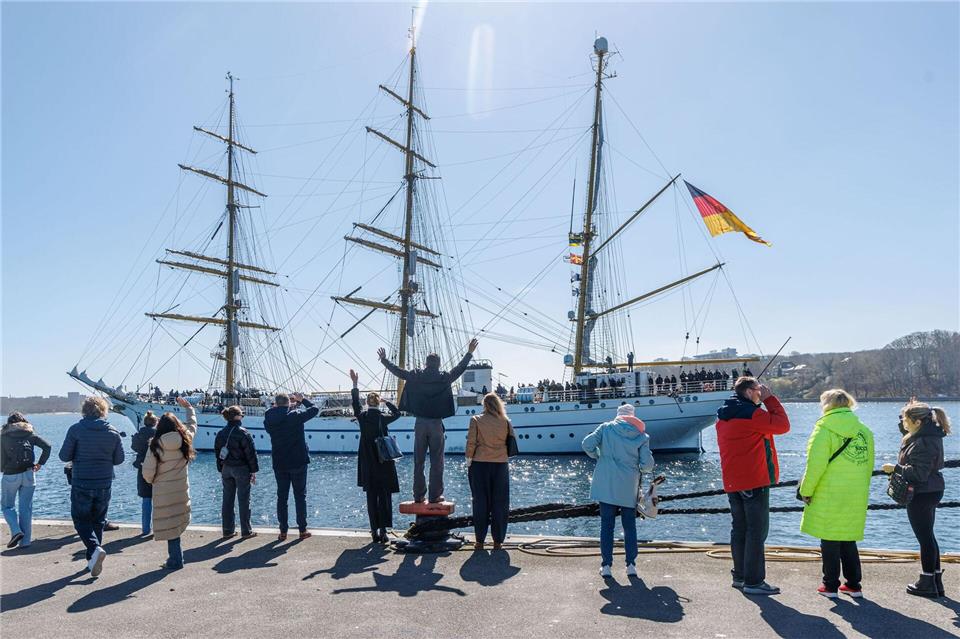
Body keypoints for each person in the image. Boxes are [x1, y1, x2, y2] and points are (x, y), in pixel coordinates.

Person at [378, 338, 478, 504]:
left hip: (420, 423)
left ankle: (418, 496)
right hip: (436, 424)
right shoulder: (444, 377)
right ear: (438, 364)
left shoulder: (416, 375)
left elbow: (399, 372)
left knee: (419, 461)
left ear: (426, 363)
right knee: (437, 461)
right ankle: (434, 495)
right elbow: (459, 369)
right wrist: (469, 353)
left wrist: (384, 360)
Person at [715, 376, 790, 595]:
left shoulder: (722, 415)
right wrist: (770, 399)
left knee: (739, 529)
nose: (760, 393)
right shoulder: (753, 414)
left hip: (733, 480)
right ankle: (754, 581)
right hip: (754, 479)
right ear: (749, 392)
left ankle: (740, 576)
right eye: (758, 390)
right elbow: (783, 426)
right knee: (757, 531)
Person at [798, 389, 875, 598]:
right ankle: (853, 584)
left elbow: (815, 465)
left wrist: (806, 490)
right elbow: (869, 465)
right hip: (855, 492)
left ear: (827, 405)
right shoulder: (864, 431)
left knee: (829, 539)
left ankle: (830, 585)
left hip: (829, 491)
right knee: (848, 538)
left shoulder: (824, 429)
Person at [883, 400, 950, 598]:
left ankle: (927, 580)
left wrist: (895, 468)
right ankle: (935, 580)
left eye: (906, 419)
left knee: (925, 538)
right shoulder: (928, 434)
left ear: (917, 422)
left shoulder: (922, 442)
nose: (903, 423)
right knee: (929, 536)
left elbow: (918, 473)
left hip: (922, 493)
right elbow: (906, 432)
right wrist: (907, 409)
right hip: (933, 489)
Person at [582, 404, 654, 578]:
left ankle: (606, 565)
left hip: (606, 484)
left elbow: (586, 444)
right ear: (633, 417)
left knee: (606, 526)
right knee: (629, 526)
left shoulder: (606, 428)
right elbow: (647, 466)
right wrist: (640, 468)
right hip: (628, 487)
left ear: (618, 415)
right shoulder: (641, 436)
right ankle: (630, 565)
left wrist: (599, 455)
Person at [58, 396, 124, 577]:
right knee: (98, 520)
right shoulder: (113, 431)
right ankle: (92, 560)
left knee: (80, 519)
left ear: (84, 411)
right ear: (103, 411)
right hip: (104, 481)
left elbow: (64, 456)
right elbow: (119, 460)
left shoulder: (76, 430)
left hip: (82, 481)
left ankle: (95, 549)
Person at [141, 397, 197, 570]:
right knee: (177, 522)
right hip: (181, 488)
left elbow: (147, 472)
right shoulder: (185, 439)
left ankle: (175, 560)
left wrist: (153, 481)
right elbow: (192, 425)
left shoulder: (155, 445)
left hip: (163, 490)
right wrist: (189, 408)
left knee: (170, 524)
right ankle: (175, 558)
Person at [350, 370, 400, 544]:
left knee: (371, 497)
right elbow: (397, 414)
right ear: (378, 403)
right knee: (384, 497)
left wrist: (355, 384)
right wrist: (389, 403)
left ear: (366, 403)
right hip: (383, 462)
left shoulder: (362, 417)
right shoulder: (382, 418)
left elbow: (355, 405)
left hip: (368, 463)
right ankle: (385, 531)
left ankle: (373, 530)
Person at [264, 391, 319, 540]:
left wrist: (287, 406)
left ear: (276, 403)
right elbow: (314, 410)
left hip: (280, 462)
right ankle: (302, 530)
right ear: (288, 403)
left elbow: (277, 413)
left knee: (282, 497)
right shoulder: (294, 416)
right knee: (300, 496)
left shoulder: (268, 418)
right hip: (298, 461)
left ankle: (283, 531)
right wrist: (302, 400)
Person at [466, 393, 516, 551]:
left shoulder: (476, 420)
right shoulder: (506, 421)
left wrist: (469, 460)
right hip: (500, 464)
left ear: (485, 405)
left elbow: (471, 442)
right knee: (500, 503)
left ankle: (480, 541)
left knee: (480, 502)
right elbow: (511, 442)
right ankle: (498, 541)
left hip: (480, 464)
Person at [2, 412, 51, 549]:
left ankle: (16, 531)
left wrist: (2, 468)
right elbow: (47, 446)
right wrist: (40, 463)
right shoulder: (30, 434)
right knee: (26, 508)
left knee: (7, 506)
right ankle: (25, 542)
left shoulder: (4, 436)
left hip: (11, 475)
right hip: (29, 473)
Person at [214, 405, 259, 539]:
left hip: (226, 468)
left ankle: (228, 530)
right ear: (237, 417)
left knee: (227, 499)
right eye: (241, 415)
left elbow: (217, 452)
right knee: (244, 500)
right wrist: (253, 471)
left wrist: (220, 468)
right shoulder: (243, 432)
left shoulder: (221, 433)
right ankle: (246, 530)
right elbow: (250, 453)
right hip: (241, 469)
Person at [130, 411, 159, 536]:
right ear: (155, 422)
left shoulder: (138, 435)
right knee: (158, 501)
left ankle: (145, 529)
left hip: (142, 468)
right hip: (157, 469)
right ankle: (158, 528)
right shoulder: (158, 435)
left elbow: (134, 447)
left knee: (146, 499)